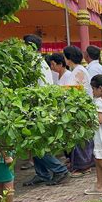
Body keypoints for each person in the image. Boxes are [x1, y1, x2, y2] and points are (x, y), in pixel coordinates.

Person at [22, 35, 69, 187]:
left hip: (38, 107)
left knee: (37, 142)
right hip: (35, 106)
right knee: (34, 142)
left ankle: (59, 168)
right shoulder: (35, 62)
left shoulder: (36, 63)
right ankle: (41, 173)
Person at [63, 46, 95, 177]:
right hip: (80, 107)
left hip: (80, 108)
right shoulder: (77, 70)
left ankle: (83, 166)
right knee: (82, 137)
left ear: (68, 58)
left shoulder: (78, 71)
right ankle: (82, 163)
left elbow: (73, 91)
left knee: (81, 137)